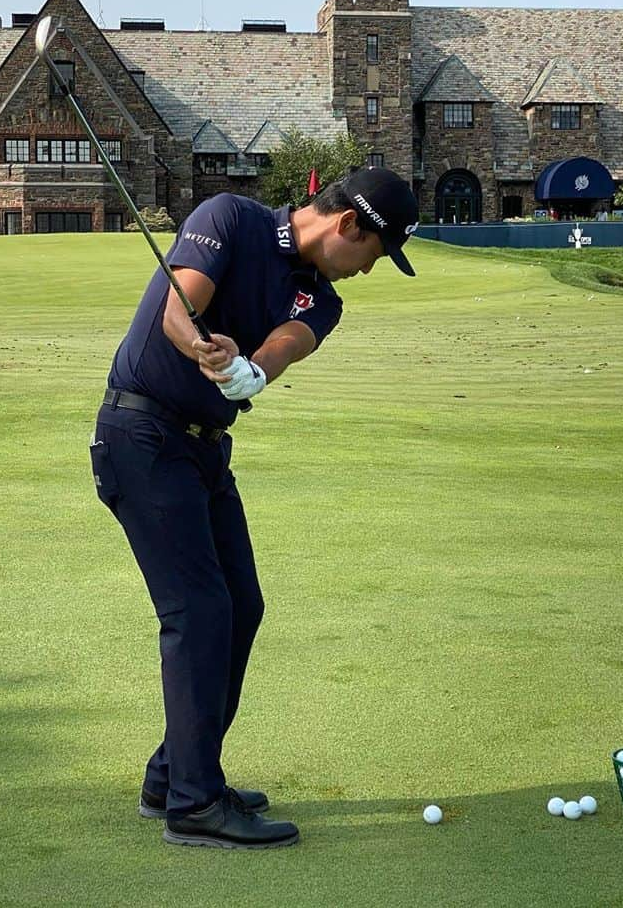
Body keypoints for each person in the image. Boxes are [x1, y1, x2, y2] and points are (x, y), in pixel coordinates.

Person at [89, 167, 419, 850]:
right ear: (348, 225)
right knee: (198, 611)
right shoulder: (229, 218)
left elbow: (289, 341)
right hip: (142, 436)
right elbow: (178, 311)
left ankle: (175, 773)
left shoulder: (322, 298)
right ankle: (195, 804)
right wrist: (200, 348)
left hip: (205, 451)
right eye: (375, 255)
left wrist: (252, 370)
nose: (369, 270)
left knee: (242, 605)